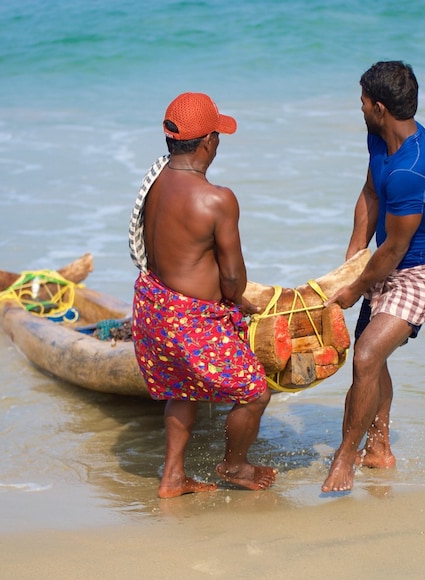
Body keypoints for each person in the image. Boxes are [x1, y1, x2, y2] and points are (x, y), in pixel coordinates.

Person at [129, 92, 277, 499]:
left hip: (153, 306)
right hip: (189, 319)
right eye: (218, 136)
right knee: (255, 391)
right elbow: (232, 278)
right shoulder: (217, 199)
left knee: (181, 387)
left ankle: (172, 477)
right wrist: (237, 301)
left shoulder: (155, 182)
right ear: (209, 141)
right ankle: (235, 464)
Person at [322, 61, 425, 493]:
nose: (357, 108)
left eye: (361, 101)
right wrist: (353, 256)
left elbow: (396, 249)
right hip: (382, 260)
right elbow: (369, 192)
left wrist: (356, 287)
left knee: (364, 357)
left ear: (378, 107)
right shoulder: (381, 138)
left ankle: (346, 457)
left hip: (420, 273)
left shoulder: (412, 170)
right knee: (370, 358)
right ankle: (379, 447)